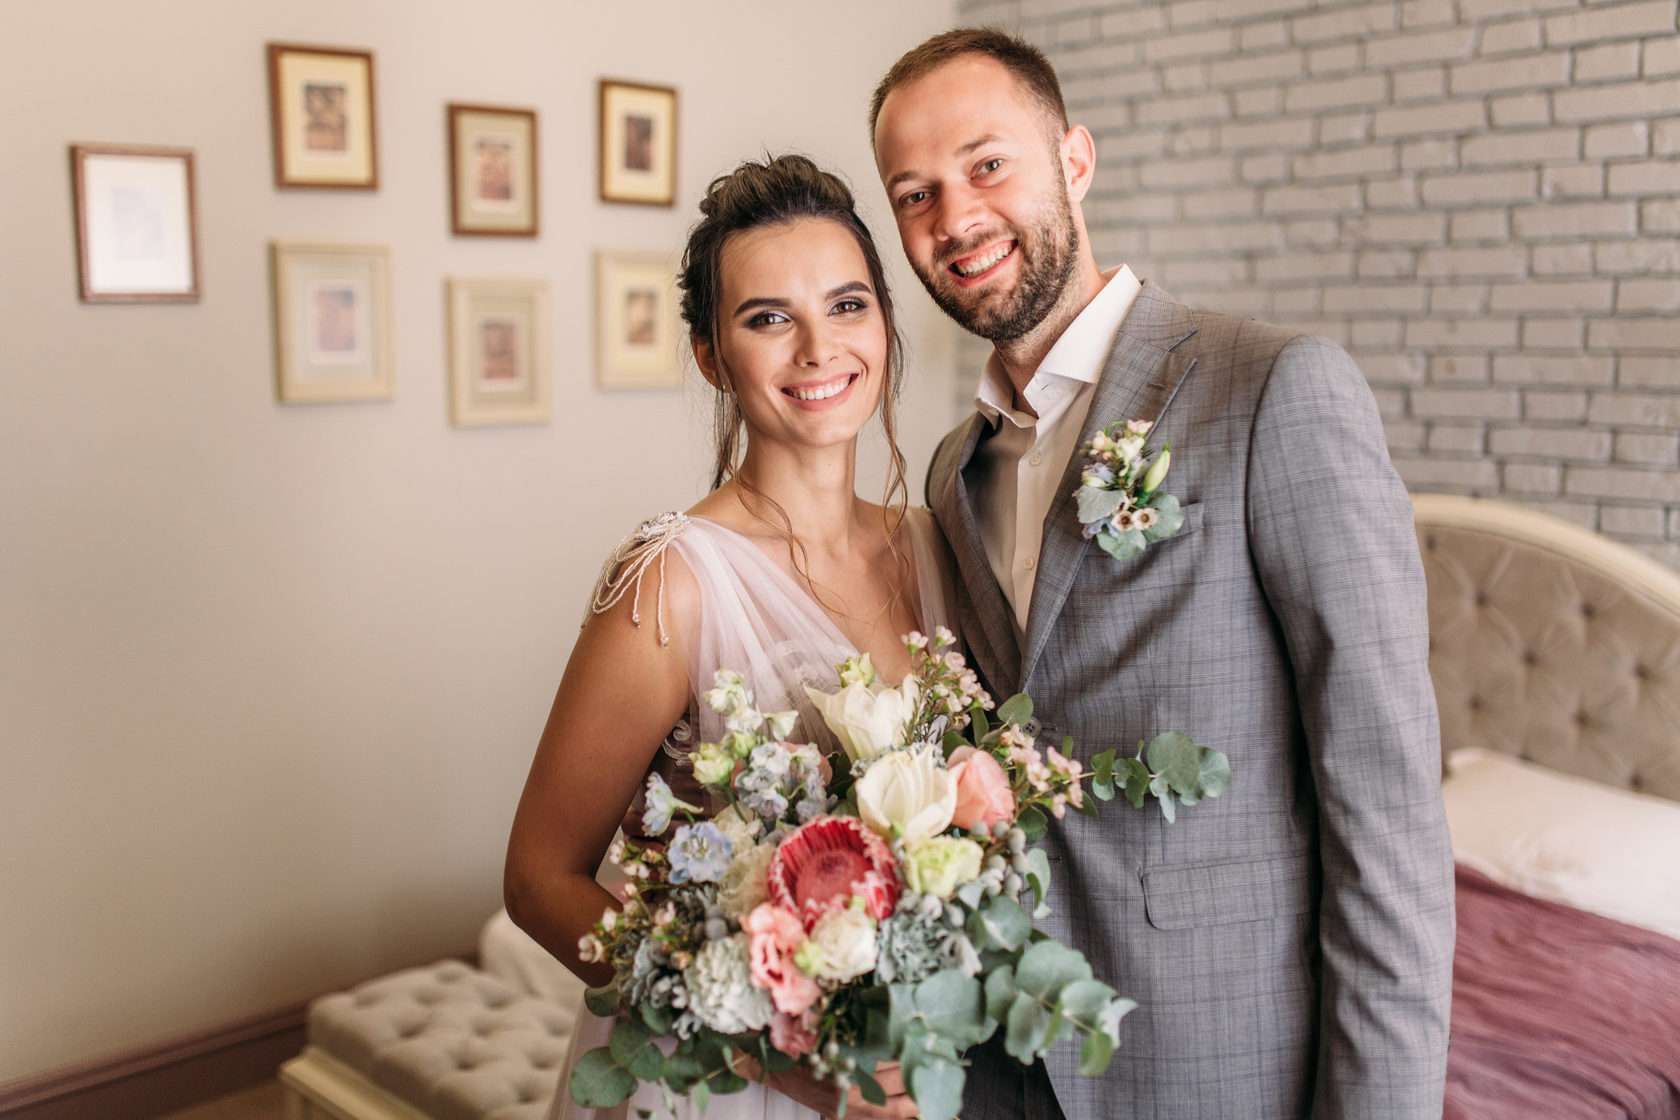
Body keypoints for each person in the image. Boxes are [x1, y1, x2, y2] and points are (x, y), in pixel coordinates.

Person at [869, 28, 1456, 1120]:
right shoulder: (954, 470)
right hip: (1009, 1058)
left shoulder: (1272, 390)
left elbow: (1386, 816)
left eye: (987, 164)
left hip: (1225, 1062)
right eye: (915, 193)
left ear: (1075, 159)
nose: (955, 218)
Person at [504, 154, 944, 1120]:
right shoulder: (670, 582)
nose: (818, 348)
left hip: (917, 1062)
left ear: (884, 321)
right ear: (711, 354)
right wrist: (786, 1061)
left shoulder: (933, 546)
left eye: (848, 305)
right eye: (768, 319)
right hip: (734, 1084)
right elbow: (540, 882)